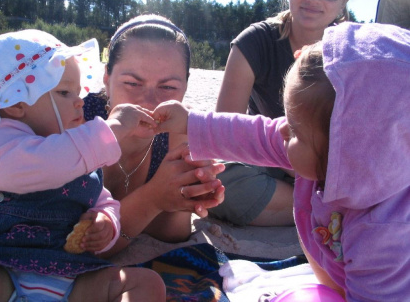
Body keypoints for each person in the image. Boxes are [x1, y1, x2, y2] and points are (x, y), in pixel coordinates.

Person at [154, 22, 410, 301]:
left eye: (296, 129)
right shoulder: (324, 155)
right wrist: (191, 123)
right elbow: (255, 135)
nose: (282, 130)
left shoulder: (383, 235)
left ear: (347, 152)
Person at [0, 30, 166, 301]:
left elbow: (102, 198)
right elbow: (46, 162)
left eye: (77, 91)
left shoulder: (76, 147)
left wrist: (105, 222)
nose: (79, 101)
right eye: (64, 92)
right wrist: (113, 128)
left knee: (146, 284)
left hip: (73, 277)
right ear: (16, 104)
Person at [212, 0, 352, 227]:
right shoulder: (255, 42)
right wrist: (293, 163)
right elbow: (224, 132)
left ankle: (329, 209)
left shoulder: (355, 51)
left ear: (344, 1)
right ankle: (331, 212)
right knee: (218, 180)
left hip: (339, 169)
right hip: (274, 161)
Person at [83, 14, 225, 255]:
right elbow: (80, 242)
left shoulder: (177, 131)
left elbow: (174, 232)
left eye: (168, 87)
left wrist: (193, 194)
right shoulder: (78, 120)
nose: (149, 102)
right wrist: (153, 199)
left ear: (186, 87)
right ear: (107, 78)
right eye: (132, 83)